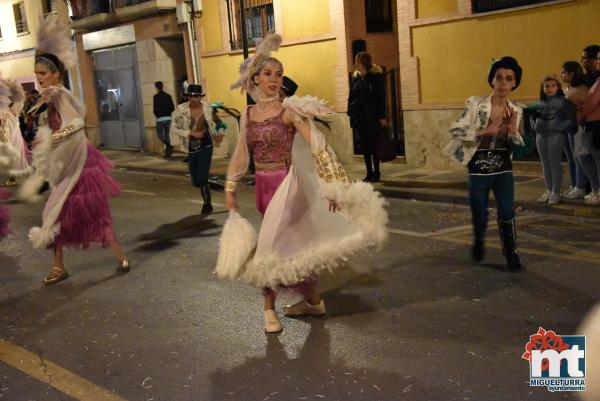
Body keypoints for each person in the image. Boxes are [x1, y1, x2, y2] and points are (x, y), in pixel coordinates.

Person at [218, 34, 387, 333]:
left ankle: (268, 309)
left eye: (279, 74)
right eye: (268, 73)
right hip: (262, 188)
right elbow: (242, 154)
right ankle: (313, 301)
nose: (274, 79)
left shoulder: (289, 111)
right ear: (255, 79)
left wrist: (333, 187)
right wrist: (230, 188)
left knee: (270, 249)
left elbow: (318, 145)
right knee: (292, 249)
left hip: (288, 187)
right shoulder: (247, 114)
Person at [19, 16, 129, 285]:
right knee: (58, 213)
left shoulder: (58, 93)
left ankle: (119, 255)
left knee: (93, 211)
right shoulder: (49, 97)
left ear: (55, 74)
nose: (39, 78)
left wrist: (53, 139)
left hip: (81, 164)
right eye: (37, 74)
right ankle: (59, 266)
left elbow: (77, 122)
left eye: (43, 74)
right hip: (66, 164)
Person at [444, 56, 525, 272]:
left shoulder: (516, 111)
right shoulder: (475, 104)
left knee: (507, 212)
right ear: (492, 81)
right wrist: (483, 131)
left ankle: (512, 255)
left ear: (514, 83)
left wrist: (514, 131)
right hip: (478, 167)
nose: (503, 83)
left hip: (503, 167)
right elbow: (454, 130)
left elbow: (519, 144)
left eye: (509, 79)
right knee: (479, 213)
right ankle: (479, 239)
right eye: (499, 78)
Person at [170, 84, 225, 214]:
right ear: (187, 97)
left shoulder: (208, 109)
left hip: (206, 146)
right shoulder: (181, 110)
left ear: (201, 97)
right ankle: (222, 188)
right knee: (196, 182)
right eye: (190, 96)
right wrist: (190, 133)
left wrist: (220, 134)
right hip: (191, 148)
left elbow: (220, 124)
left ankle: (207, 204)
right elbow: (173, 128)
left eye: (196, 96)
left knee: (202, 177)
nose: (193, 99)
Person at [530, 75, 573, 205]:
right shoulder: (539, 102)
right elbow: (531, 115)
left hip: (555, 136)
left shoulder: (562, 102)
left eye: (553, 85)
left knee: (554, 163)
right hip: (541, 136)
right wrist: (534, 126)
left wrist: (559, 127)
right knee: (545, 164)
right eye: (546, 86)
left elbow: (570, 117)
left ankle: (556, 192)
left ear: (558, 87)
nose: (549, 88)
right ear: (542, 88)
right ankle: (548, 190)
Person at [347, 51, 386, 183]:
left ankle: (377, 172)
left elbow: (381, 98)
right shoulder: (356, 77)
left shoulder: (375, 76)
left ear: (364, 63)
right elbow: (351, 96)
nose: (355, 64)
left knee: (374, 146)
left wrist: (382, 116)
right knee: (365, 147)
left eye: (357, 62)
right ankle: (369, 173)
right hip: (360, 118)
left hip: (372, 117)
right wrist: (350, 111)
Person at [560, 61, 589, 200]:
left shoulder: (581, 89)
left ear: (571, 73)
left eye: (564, 72)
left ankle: (580, 186)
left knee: (578, 157)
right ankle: (573, 184)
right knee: (571, 158)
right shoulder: (569, 88)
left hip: (576, 128)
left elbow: (582, 107)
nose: (561, 75)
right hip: (566, 127)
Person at [580, 49, 600, 205]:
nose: (598, 61)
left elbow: (591, 102)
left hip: (596, 124)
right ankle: (595, 190)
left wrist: (581, 114)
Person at [0, 78, 29, 186]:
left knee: (12, 156)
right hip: (13, 135)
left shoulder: (9, 109)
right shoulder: (13, 107)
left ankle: (14, 179)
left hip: (11, 136)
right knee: (15, 156)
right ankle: (15, 178)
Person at [153, 81, 175, 157]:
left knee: (160, 135)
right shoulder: (168, 96)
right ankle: (168, 151)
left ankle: (169, 146)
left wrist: (157, 114)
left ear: (156, 88)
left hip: (160, 119)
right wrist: (168, 113)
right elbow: (172, 107)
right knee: (167, 135)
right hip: (168, 118)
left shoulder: (155, 97)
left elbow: (155, 108)